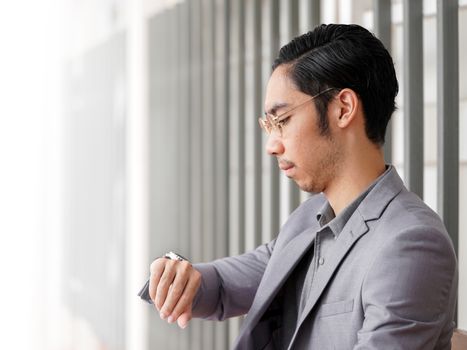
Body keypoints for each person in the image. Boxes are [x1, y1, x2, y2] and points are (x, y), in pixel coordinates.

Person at [140, 24, 458, 349]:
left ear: (343, 109)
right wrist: (178, 276)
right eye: (268, 125)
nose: (271, 145)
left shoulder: (411, 243)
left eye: (283, 120)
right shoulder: (309, 219)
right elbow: (222, 285)